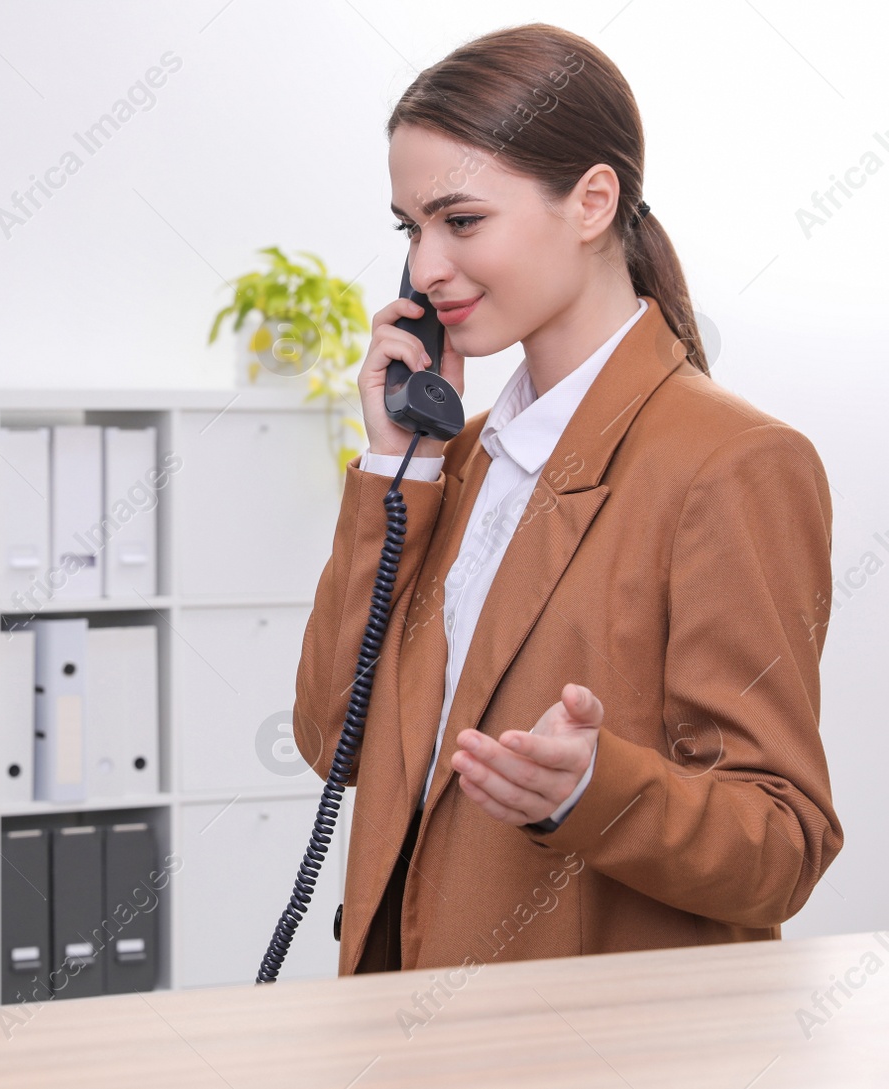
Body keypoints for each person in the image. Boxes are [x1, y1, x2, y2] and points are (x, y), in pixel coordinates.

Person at [292, 23, 842, 976]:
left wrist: (591, 786)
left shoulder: (735, 463)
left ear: (593, 202)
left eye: (460, 222)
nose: (423, 269)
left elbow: (781, 844)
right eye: (408, 228)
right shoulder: (450, 463)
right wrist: (397, 468)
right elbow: (333, 742)